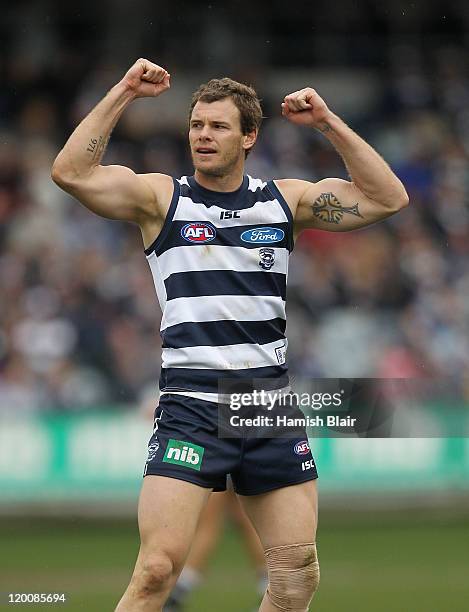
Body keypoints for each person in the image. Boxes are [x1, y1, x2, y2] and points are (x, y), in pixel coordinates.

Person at [51, 58, 408, 611]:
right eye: (196, 125)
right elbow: (71, 173)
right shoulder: (161, 200)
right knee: (156, 570)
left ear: (249, 137)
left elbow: (388, 198)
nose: (203, 136)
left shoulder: (283, 201)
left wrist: (328, 124)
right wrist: (123, 90)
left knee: (295, 574)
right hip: (192, 403)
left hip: (266, 405)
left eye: (218, 126)